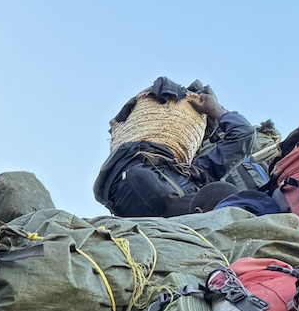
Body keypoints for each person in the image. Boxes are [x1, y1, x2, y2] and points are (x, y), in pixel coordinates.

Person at [96, 80, 258, 219]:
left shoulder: (196, 172)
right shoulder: (201, 172)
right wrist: (215, 110)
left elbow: (244, 134)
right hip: (147, 186)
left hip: (120, 191)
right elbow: (244, 134)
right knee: (228, 194)